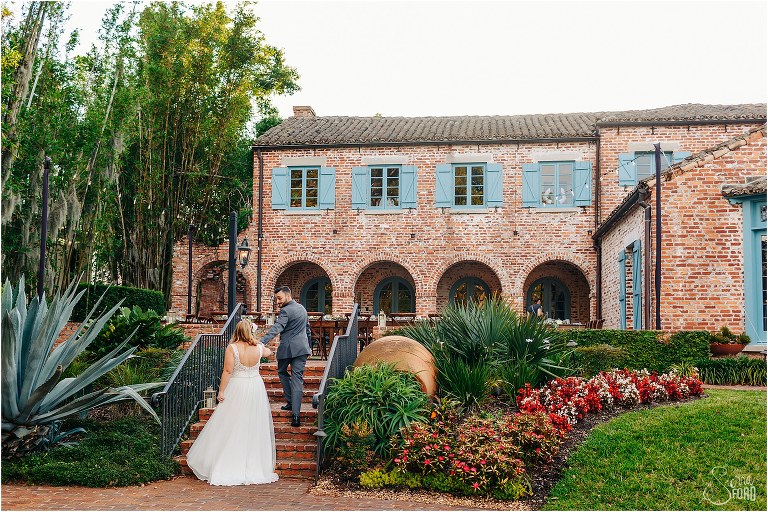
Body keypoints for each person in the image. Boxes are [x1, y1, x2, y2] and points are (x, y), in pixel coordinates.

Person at [186, 319, 278, 486]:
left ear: (237, 331)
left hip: (238, 386)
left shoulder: (232, 348)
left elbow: (228, 371)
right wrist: (258, 341)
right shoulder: (258, 348)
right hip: (256, 387)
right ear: (251, 332)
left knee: (232, 423)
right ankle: (253, 465)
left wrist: (221, 391)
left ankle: (228, 462)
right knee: (252, 424)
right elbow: (269, 352)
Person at [259, 286, 312, 427]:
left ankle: (290, 402)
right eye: (276, 298)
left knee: (282, 372)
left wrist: (261, 342)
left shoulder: (285, 311)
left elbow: (277, 328)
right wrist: (309, 347)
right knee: (297, 379)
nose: (278, 301)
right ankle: (296, 415)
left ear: (288, 296)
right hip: (302, 349)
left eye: (279, 298)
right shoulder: (302, 308)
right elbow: (307, 330)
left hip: (287, 349)